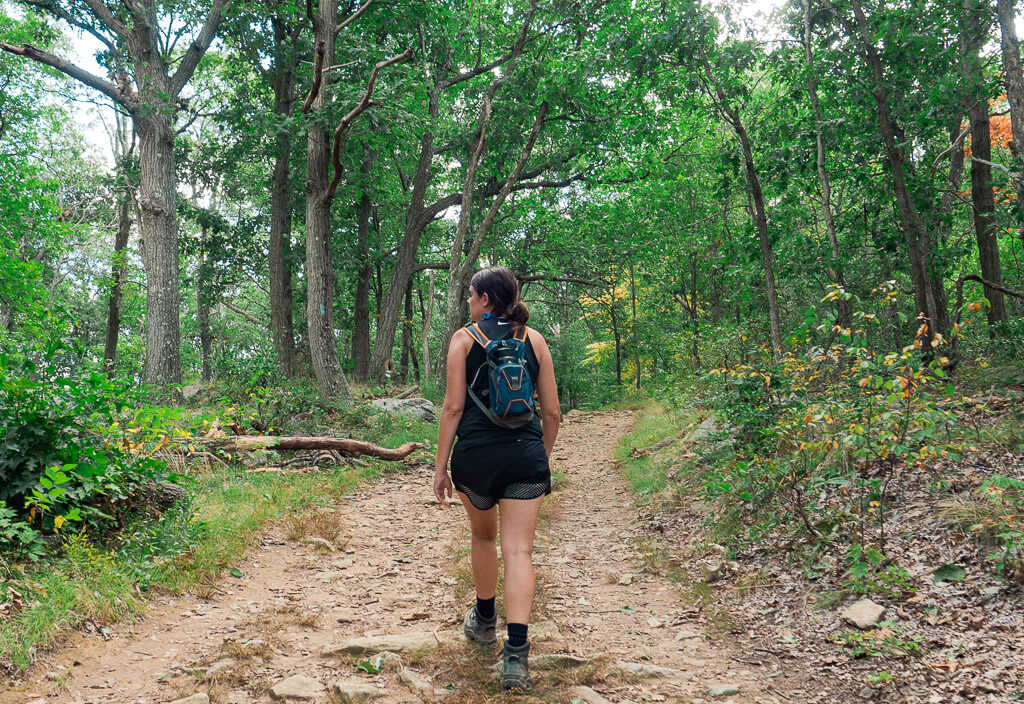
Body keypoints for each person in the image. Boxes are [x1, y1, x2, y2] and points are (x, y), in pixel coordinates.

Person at [433, 266, 561, 692]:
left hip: (475, 459)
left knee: (484, 538)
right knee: (520, 551)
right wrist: (538, 455)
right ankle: (516, 659)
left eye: (471, 295)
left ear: (486, 299)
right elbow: (553, 414)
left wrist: (440, 468)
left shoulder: (463, 339)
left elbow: (452, 409)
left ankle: (485, 619)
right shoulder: (535, 339)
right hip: (525, 456)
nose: (468, 301)